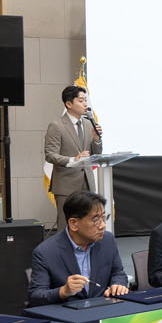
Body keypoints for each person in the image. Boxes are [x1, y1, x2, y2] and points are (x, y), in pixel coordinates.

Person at [27, 191, 130, 307]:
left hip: (103, 308)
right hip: (67, 312)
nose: (103, 225)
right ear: (73, 224)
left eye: (103, 217)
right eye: (95, 220)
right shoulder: (45, 252)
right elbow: (36, 296)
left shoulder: (107, 240)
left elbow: (118, 273)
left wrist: (118, 285)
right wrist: (63, 291)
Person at [43, 86, 103, 231]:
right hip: (66, 184)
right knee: (67, 224)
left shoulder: (88, 124)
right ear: (69, 104)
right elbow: (50, 154)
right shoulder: (56, 125)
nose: (85, 104)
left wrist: (96, 139)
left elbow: (96, 153)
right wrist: (72, 160)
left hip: (87, 183)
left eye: (85, 100)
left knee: (88, 223)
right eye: (81, 101)